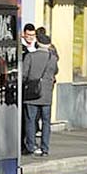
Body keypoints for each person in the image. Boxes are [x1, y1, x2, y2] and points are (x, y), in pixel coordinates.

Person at [24, 27, 59, 159]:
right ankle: (45, 148)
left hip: (32, 93)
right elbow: (55, 71)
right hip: (46, 94)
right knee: (46, 122)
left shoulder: (30, 56)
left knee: (30, 120)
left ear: (37, 42)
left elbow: (24, 75)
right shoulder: (53, 58)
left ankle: (31, 146)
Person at [20, 22, 39, 155]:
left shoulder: (38, 47)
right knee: (24, 117)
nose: (30, 38)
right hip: (24, 87)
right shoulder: (20, 47)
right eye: (28, 35)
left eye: (32, 35)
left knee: (34, 118)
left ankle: (30, 141)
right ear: (24, 34)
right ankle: (23, 143)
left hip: (37, 89)